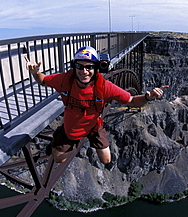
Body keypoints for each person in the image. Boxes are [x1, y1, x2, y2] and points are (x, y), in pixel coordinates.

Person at [25, 46, 168, 164]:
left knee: (106, 160)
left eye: (89, 67)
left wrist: (147, 97)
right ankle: (61, 137)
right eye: (79, 66)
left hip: (94, 125)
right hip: (71, 127)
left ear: (96, 68)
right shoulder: (64, 80)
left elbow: (132, 100)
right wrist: (35, 72)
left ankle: (77, 138)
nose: (84, 71)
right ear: (74, 67)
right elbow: (43, 80)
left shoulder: (104, 87)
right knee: (59, 159)